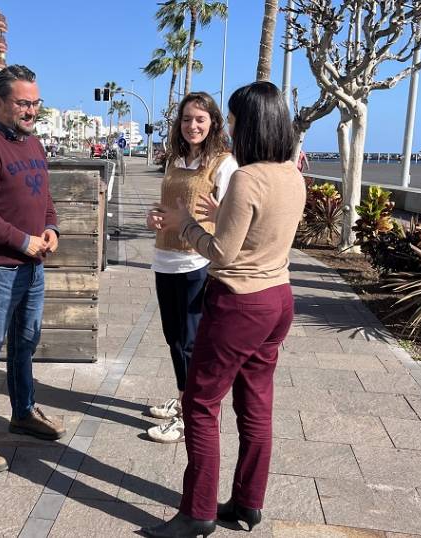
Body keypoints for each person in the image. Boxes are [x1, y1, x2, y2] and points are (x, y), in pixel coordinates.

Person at [141, 81, 305, 537]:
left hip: (240, 302)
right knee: (255, 404)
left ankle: (197, 512)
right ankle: (248, 502)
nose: (228, 127)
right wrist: (221, 215)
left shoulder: (248, 177)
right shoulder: (291, 173)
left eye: (232, 119)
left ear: (249, 124)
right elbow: (264, 230)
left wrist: (185, 223)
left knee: (199, 402)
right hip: (278, 298)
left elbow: (221, 253)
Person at [0, 64, 66, 474]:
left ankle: (23, 412)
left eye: (35, 103)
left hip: (33, 268)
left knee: (25, 345)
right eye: (23, 103)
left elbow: (44, 197)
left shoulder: (34, 145)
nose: (31, 110)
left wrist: (51, 228)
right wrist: (22, 240)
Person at [144, 92, 237, 444]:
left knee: (189, 342)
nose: (192, 125)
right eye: (186, 119)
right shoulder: (175, 159)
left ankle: (191, 415)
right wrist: (152, 217)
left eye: (200, 119)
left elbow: (234, 215)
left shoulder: (223, 163)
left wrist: (218, 216)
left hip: (196, 262)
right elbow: (167, 205)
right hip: (164, 258)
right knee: (174, 338)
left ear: (213, 122)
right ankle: (184, 396)